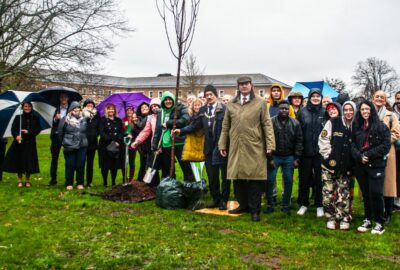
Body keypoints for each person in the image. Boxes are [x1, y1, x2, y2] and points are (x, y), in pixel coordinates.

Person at [218, 76, 275, 222]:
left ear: (251, 85)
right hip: (236, 145)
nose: (244, 86)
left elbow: (267, 124)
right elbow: (225, 126)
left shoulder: (260, 103)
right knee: (238, 178)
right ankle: (243, 205)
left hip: (254, 145)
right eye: (241, 84)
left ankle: (254, 210)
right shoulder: (231, 104)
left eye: (246, 84)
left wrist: (270, 145)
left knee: (254, 179)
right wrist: (222, 144)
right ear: (238, 87)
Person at [175, 85, 230, 210]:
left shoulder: (225, 109)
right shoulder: (203, 110)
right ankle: (215, 199)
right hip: (209, 149)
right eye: (207, 95)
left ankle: (224, 200)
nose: (209, 97)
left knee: (225, 176)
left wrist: (226, 145)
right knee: (212, 176)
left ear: (216, 95)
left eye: (211, 94)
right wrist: (181, 130)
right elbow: (195, 125)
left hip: (222, 148)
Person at [351, 100, 390, 234]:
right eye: (362, 110)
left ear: (372, 110)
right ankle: (367, 219)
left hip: (376, 165)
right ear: (359, 112)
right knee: (366, 194)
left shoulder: (381, 126)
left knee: (376, 193)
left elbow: (385, 146)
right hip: (361, 165)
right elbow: (352, 145)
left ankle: (379, 222)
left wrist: (368, 154)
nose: (365, 112)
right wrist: (359, 156)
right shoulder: (357, 126)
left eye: (367, 109)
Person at [319, 101, 357, 230]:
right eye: (345, 110)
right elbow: (323, 139)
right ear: (342, 110)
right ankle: (330, 217)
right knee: (328, 193)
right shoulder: (334, 122)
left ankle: (343, 217)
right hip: (329, 165)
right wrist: (327, 155)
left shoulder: (356, 125)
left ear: (354, 111)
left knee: (343, 193)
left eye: (350, 110)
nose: (348, 112)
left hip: (346, 167)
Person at [264, 100, 303, 215]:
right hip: (274, 156)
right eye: (282, 108)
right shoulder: (271, 122)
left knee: (289, 180)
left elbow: (299, 141)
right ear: (278, 109)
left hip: (289, 157)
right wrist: (269, 158)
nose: (284, 110)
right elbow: (267, 140)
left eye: (286, 108)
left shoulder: (295, 123)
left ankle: (285, 205)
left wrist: (297, 158)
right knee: (270, 180)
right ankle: (270, 204)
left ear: (289, 109)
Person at [152, 91, 194, 182]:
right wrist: (155, 146)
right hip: (166, 144)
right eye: (165, 99)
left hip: (179, 142)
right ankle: (171, 188)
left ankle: (190, 187)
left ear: (173, 100)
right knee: (168, 169)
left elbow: (185, 120)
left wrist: (168, 123)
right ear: (163, 101)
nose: (168, 101)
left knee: (186, 167)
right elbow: (157, 130)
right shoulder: (161, 112)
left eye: (170, 99)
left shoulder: (181, 107)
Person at [296, 88, 326, 217]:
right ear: (309, 97)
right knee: (304, 179)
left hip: (320, 153)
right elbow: (298, 133)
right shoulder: (302, 112)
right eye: (313, 96)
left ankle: (319, 204)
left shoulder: (325, 112)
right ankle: (303, 204)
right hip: (305, 152)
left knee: (320, 180)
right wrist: (298, 151)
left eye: (318, 96)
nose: (315, 98)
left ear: (321, 98)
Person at [372, 90, 400, 224]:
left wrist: (383, 142)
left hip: (388, 152)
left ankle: (388, 212)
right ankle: (374, 211)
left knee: (388, 183)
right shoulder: (368, 113)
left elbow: (396, 133)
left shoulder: (391, 116)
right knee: (373, 182)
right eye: (377, 96)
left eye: (382, 97)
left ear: (385, 100)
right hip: (371, 152)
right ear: (373, 98)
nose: (379, 99)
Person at [3, 102, 41, 187]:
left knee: (29, 161)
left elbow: (37, 129)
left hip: (30, 143)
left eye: (29, 106)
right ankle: (20, 180)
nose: (27, 108)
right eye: (25, 106)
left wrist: (29, 132)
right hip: (19, 143)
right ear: (23, 107)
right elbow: (13, 129)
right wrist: (16, 136)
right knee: (19, 161)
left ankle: (27, 180)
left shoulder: (35, 118)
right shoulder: (18, 118)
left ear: (31, 107)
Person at [58, 101, 88, 190]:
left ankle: (80, 183)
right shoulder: (65, 119)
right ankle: (69, 183)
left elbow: (87, 131)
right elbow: (60, 132)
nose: (77, 109)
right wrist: (63, 143)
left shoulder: (84, 119)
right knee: (70, 164)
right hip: (69, 145)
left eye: (78, 108)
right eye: (75, 108)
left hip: (82, 145)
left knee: (81, 164)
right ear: (71, 109)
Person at [132, 98, 161, 186]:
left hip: (164, 145)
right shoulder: (150, 117)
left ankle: (167, 187)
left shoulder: (165, 115)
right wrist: (137, 141)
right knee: (151, 166)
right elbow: (145, 131)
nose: (153, 108)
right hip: (153, 145)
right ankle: (153, 186)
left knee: (166, 167)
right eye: (152, 107)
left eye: (155, 106)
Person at [98, 103, 123, 186]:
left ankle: (113, 182)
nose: (111, 110)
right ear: (106, 110)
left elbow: (121, 132)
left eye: (112, 109)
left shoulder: (119, 120)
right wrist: (111, 140)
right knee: (104, 165)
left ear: (115, 110)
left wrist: (116, 141)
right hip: (104, 146)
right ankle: (105, 182)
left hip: (115, 146)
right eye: (109, 109)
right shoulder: (102, 120)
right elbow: (102, 132)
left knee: (114, 165)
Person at [49, 93, 69, 186]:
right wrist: (55, 119)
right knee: (54, 158)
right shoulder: (55, 109)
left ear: (68, 99)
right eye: (61, 97)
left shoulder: (71, 109)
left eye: (65, 97)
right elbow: (50, 122)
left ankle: (68, 179)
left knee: (68, 159)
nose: (63, 99)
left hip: (67, 136)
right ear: (59, 99)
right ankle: (53, 179)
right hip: (56, 136)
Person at [82, 99, 100, 187]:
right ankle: (80, 181)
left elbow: (99, 128)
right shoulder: (81, 115)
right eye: (88, 105)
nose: (90, 106)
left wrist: (95, 134)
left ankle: (89, 182)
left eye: (91, 105)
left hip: (92, 143)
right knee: (81, 163)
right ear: (85, 106)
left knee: (90, 163)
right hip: (82, 142)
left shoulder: (96, 115)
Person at [122, 106, 139, 181]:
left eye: (131, 110)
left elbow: (138, 131)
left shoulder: (135, 120)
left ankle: (131, 178)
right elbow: (121, 132)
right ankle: (125, 178)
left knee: (132, 163)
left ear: (133, 111)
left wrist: (134, 124)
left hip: (132, 144)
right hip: (124, 144)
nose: (129, 112)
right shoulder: (123, 120)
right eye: (128, 110)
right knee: (124, 162)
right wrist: (126, 134)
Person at [136, 102, 151, 181]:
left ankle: (148, 180)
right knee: (143, 163)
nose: (144, 108)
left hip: (150, 143)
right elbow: (137, 129)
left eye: (146, 107)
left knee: (149, 163)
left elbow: (141, 125)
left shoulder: (150, 116)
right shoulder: (139, 118)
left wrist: (136, 121)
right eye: (142, 107)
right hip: (142, 144)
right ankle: (140, 180)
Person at [392, 90, 400, 211]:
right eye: (398, 98)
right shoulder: (391, 113)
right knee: (396, 175)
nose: (399, 101)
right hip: (395, 148)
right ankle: (396, 200)